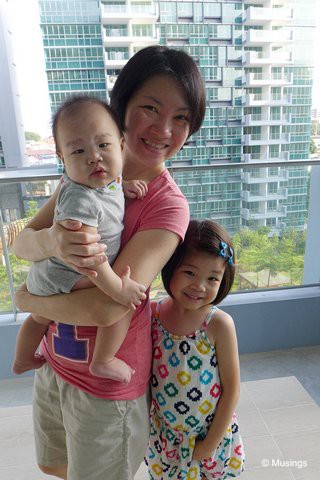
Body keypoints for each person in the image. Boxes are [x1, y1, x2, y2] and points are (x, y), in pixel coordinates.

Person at [13, 45, 206, 480]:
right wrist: (53, 245)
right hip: (56, 362)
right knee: (54, 465)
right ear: (121, 110)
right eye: (150, 109)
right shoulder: (83, 174)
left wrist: (29, 299)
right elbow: (22, 243)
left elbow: (109, 305)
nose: (164, 129)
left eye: (181, 118)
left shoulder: (167, 206)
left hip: (106, 389)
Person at [12, 95, 148, 383]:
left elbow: (107, 194)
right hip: (66, 272)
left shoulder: (107, 180)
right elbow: (90, 261)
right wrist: (118, 289)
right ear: (63, 160)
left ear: (121, 146)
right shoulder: (79, 197)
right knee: (121, 299)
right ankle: (103, 360)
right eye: (78, 151)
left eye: (103, 145)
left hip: (56, 272)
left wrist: (124, 188)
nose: (94, 157)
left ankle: (23, 358)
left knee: (38, 317)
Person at [146, 219, 245, 479]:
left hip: (211, 435)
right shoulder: (152, 315)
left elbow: (232, 389)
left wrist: (209, 444)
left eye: (212, 278)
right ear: (171, 266)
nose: (199, 286)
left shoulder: (218, 324)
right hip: (165, 438)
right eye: (190, 272)